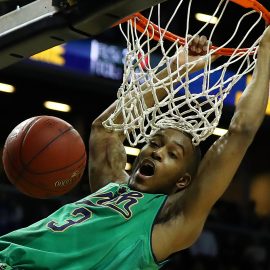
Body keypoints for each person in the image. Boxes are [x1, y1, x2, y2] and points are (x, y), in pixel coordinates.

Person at [0, 26, 270, 269]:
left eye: (172, 154)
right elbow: (106, 129)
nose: (157, 151)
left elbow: (240, 131)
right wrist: (178, 67)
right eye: (154, 142)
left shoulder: (171, 219)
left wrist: (267, 51)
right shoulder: (112, 186)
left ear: (183, 180)